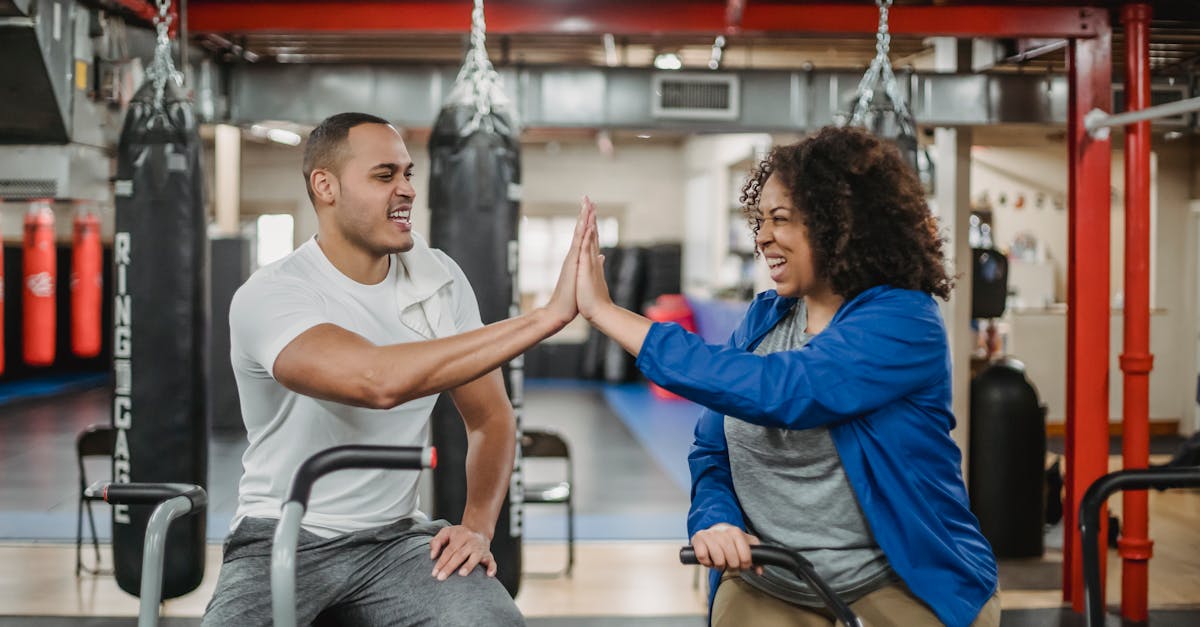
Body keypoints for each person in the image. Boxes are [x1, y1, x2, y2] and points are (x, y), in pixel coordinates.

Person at [575, 126, 999, 627]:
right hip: (771, 580)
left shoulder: (903, 321)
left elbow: (786, 390)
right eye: (760, 220)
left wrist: (605, 312)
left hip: (902, 580)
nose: (761, 237)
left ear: (840, 224)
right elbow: (712, 450)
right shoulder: (765, 319)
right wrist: (716, 519)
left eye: (780, 219)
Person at [203, 112, 591, 626]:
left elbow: (491, 418)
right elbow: (375, 381)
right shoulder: (274, 293)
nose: (406, 189)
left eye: (408, 174)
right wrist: (545, 319)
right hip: (283, 532)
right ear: (326, 186)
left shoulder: (438, 279)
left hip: (395, 542)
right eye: (385, 176)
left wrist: (476, 526)